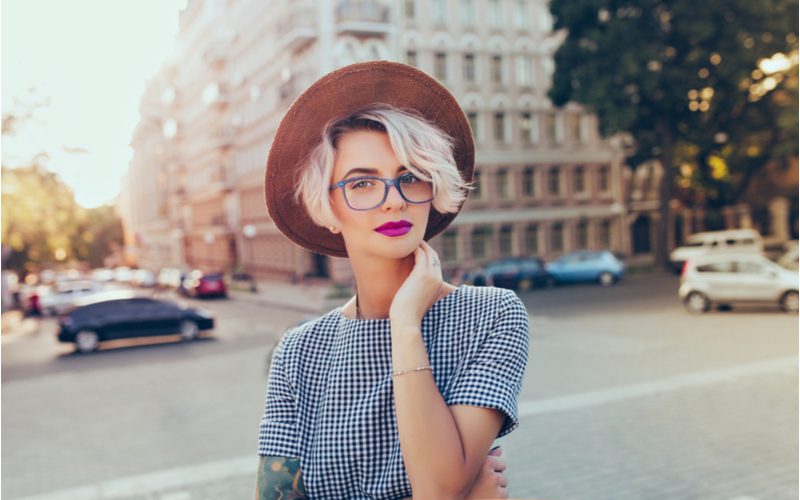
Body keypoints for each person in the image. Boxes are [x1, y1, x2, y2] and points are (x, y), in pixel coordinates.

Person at [257, 61, 530, 499]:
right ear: (327, 208)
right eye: (362, 183)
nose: (394, 201)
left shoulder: (491, 315)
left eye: (411, 177)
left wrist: (405, 323)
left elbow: (438, 488)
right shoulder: (300, 352)